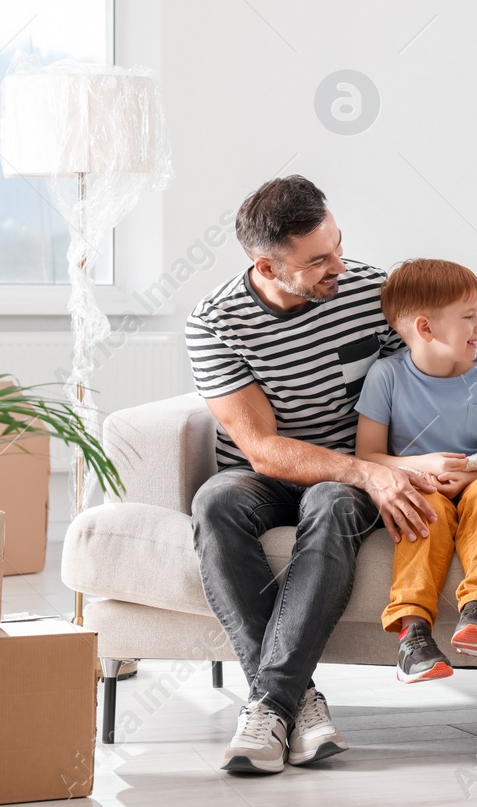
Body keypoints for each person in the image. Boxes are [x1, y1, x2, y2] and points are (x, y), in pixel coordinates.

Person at [186, 176, 441, 776]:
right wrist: (364, 472)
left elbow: (428, 384)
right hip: (268, 475)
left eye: (338, 246)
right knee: (215, 502)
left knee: (329, 499)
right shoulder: (216, 322)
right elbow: (262, 449)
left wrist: (389, 469)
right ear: (267, 266)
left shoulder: (371, 292)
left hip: (345, 480)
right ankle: (297, 704)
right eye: (319, 260)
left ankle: (269, 706)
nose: (339, 266)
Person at [354, 258, 477, 683]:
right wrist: (419, 466)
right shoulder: (386, 376)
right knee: (421, 508)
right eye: (470, 316)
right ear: (426, 328)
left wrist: (469, 478)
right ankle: (413, 634)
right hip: (420, 484)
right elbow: (368, 455)